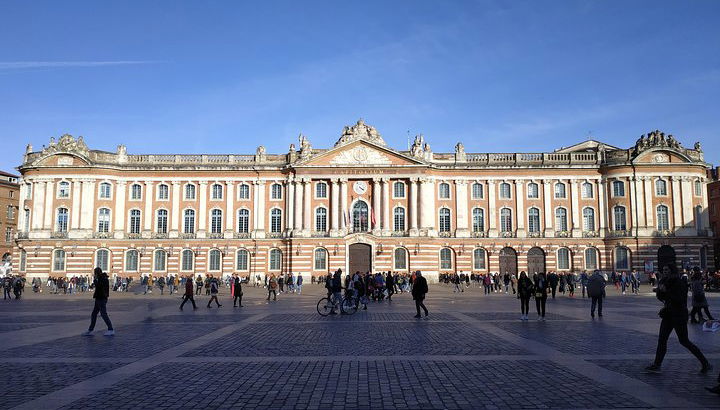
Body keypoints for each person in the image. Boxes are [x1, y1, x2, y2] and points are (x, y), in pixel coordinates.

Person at [645, 263, 711, 374]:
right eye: (664, 269)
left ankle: (705, 363)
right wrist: (660, 291)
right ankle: (657, 364)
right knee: (662, 339)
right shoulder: (664, 281)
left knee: (684, 341)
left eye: (667, 269)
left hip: (679, 315)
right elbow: (661, 297)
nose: (665, 271)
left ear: (672, 270)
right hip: (668, 314)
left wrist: (666, 291)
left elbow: (679, 299)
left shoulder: (679, 283)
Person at [82, 267, 114, 336]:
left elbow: (100, 287)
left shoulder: (103, 279)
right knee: (94, 314)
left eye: (95, 273)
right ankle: (90, 330)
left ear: (97, 273)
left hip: (101, 298)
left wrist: (95, 281)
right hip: (99, 298)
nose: (94, 274)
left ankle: (111, 329)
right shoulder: (101, 278)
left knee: (103, 314)